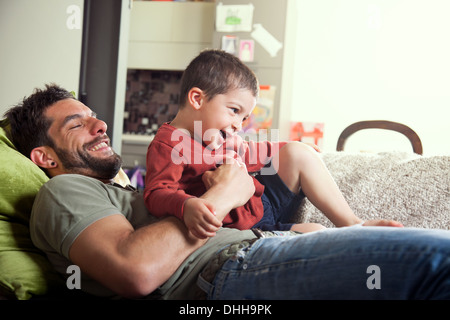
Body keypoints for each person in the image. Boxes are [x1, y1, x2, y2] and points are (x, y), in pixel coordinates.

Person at [4, 84, 450, 300]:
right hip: (226, 271)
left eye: (94, 116)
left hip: (261, 248)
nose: (100, 124)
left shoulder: (127, 194)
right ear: (45, 157)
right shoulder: (63, 192)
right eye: (76, 124)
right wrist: (224, 195)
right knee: (437, 260)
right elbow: (134, 271)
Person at [144, 49, 402, 239]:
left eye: (244, 117)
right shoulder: (169, 144)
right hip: (241, 229)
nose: (239, 124)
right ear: (197, 99)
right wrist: (186, 205)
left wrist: (291, 147)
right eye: (234, 110)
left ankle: (353, 224)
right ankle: (309, 235)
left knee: (297, 152)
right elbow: (155, 193)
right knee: (317, 233)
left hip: (263, 204)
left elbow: (256, 151)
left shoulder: (224, 136)